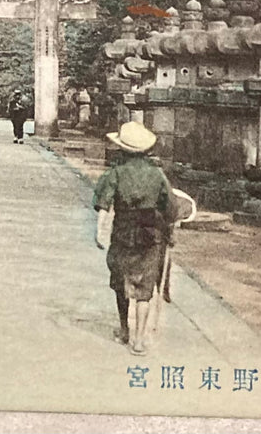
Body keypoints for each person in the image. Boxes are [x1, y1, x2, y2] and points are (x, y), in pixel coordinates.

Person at [92, 120, 178, 356]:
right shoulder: (158, 175)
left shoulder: (116, 173)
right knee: (144, 288)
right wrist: (170, 225)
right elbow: (171, 208)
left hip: (122, 233)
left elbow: (103, 205)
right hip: (150, 235)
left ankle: (124, 329)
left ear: (122, 149)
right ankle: (139, 340)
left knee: (121, 283)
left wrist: (99, 231)